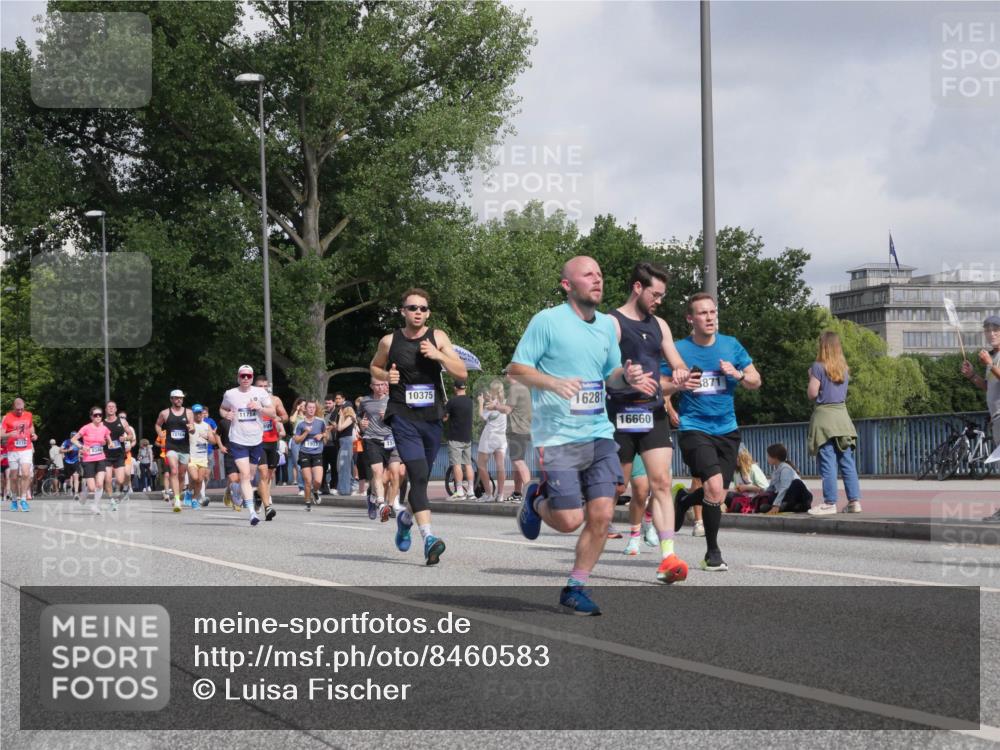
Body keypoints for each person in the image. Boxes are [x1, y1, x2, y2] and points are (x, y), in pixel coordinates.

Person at [510, 256, 657, 615]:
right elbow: (516, 369)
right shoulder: (547, 321)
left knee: (603, 514)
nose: (597, 279)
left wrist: (627, 377)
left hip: (599, 432)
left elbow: (610, 375)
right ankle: (536, 499)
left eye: (600, 274)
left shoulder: (607, 326)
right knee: (568, 521)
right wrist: (552, 383)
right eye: (588, 274)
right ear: (567, 285)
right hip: (558, 436)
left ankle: (575, 587)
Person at [370, 288, 468, 565]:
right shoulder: (390, 341)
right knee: (419, 474)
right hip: (402, 416)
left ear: (428, 313)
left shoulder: (439, 337)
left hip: (432, 417)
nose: (418, 312)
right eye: (412, 307)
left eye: (423, 308)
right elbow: (374, 367)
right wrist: (385, 375)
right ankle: (429, 538)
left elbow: (461, 372)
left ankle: (405, 519)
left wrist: (439, 356)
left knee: (421, 480)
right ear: (403, 311)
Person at [606, 262, 691, 582]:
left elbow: (675, 359)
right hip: (619, 415)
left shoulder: (660, 325)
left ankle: (668, 557)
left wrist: (681, 372)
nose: (659, 300)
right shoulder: (612, 323)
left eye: (662, 295)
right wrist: (624, 376)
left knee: (662, 482)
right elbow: (603, 369)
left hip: (653, 413)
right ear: (637, 288)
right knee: (616, 487)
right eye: (655, 294)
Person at [668, 292, 761, 572]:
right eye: (702, 313)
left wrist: (739, 375)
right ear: (690, 318)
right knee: (714, 485)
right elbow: (660, 384)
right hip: (694, 427)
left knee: (718, 492)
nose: (709, 318)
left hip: (727, 429)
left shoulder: (731, 345)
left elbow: (756, 380)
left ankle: (684, 499)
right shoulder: (678, 350)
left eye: (712, 312)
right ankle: (713, 553)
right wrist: (676, 388)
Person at [806, 331, 862, 516]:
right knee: (846, 461)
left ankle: (830, 503)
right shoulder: (844, 368)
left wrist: (811, 377)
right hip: (843, 417)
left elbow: (812, 393)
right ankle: (854, 501)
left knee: (828, 461)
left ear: (823, 346)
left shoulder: (818, 366)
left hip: (825, 419)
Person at [220, 365, 277, 526]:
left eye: (248, 376)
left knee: (250, 476)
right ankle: (252, 513)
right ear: (238, 377)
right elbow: (222, 409)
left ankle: (235, 489)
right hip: (238, 440)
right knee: (245, 475)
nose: (245, 378)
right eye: (242, 376)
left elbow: (273, 413)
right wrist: (226, 414)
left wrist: (260, 407)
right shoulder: (230, 394)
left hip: (256, 440)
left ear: (252, 378)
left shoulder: (260, 393)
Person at [961, 315, 1000, 522]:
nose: (991, 334)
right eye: (987, 330)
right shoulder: (993, 357)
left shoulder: (993, 359)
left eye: (996, 330)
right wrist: (972, 376)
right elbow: (988, 387)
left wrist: (990, 364)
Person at [357, 379, 398, 521]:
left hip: (391, 440)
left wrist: (388, 416)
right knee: (377, 471)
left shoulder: (393, 401)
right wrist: (361, 423)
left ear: (386, 386)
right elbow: (359, 416)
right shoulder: (365, 401)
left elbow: (401, 419)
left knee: (392, 475)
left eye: (383, 385)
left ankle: (373, 497)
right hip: (372, 439)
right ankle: (381, 503)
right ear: (371, 386)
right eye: (377, 385)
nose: (380, 387)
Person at [252, 374, 288, 514]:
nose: (263, 388)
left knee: (269, 475)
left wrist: (278, 419)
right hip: (258, 442)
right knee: (263, 472)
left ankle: (258, 495)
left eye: (265, 386)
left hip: (272, 441)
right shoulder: (251, 401)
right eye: (260, 386)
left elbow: (285, 416)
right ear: (255, 387)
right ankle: (267, 506)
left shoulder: (275, 400)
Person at [155, 389, 194, 512]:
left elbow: (192, 428)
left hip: (184, 447)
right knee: (174, 470)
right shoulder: (165, 413)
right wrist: (160, 433)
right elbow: (158, 424)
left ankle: (178, 495)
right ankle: (177, 499)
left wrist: (191, 429)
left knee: (182, 475)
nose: (179, 400)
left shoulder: (189, 413)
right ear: (171, 399)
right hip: (171, 447)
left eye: (181, 398)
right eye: (176, 398)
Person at [72, 407, 113, 513]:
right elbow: (74, 439)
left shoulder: (104, 428)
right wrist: (81, 447)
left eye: (100, 415)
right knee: (92, 487)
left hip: (101, 458)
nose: (98, 417)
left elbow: (108, 437)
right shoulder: (86, 428)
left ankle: (95, 505)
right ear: (91, 417)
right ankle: (84, 492)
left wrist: (110, 443)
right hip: (88, 459)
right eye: (95, 415)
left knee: (100, 484)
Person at [293, 400, 332, 511]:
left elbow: (327, 435)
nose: (311, 409)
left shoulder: (320, 422)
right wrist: (305, 432)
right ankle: (308, 503)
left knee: (318, 481)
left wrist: (322, 435)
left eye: (313, 408)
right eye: (309, 407)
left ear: (315, 409)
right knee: (308, 481)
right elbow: (296, 440)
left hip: (317, 454)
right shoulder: (300, 423)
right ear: (305, 409)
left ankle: (315, 492)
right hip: (304, 453)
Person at [1, 398, 37, 512]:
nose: (20, 411)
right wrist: (9, 434)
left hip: (26, 448)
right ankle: (14, 500)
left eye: (22, 409)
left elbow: (31, 427)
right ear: (13, 407)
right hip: (13, 450)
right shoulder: (7, 417)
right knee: (14, 476)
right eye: (18, 409)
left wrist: (33, 434)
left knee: (26, 473)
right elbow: (1, 433)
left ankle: (23, 499)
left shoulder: (28, 415)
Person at [503, 367, 533, 503]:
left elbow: (507, 410)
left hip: (517, 430)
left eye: (506, 373)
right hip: (523, 429)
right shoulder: (524, 388)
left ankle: (529, 494)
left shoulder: (515, 388)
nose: (505, 376)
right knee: (517, 463)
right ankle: (517, 493)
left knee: (518, 461)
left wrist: (496, 406)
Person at [476, 380, 508, 503]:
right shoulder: (505, 403)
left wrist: (481, 402)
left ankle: (488, 494)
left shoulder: (491, 405)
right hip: (501, 438)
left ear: (493, 391)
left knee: (481, 465)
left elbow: (482, 416)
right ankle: (500, 495)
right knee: (500, 466)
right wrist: (491, 398)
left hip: (489, 437)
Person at [760, 443, 813, 514]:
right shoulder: (775, 471)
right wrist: (761, 495)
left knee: (797, 483)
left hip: (800, 496)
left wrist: (776, 505)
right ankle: (788, 506)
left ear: (775, 457)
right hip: (787, 498)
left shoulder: (785, 468)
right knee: (769, 497)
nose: (767, 458)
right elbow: (771, 488)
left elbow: (784, 488)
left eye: (769, 456)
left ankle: (787, 506)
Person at [188, 404, 224, 506]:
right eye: (196, 413)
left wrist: (207, 437)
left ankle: (195, 499)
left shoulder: (206, 425)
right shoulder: (189, 425)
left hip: (203, 457)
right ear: (193, 414)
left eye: (200, 413)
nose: (199, 415)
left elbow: (213, 441)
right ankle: (189, 491)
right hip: (192, 457)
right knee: (195, 478)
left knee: (201, 479)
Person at [444, 381, 474, 500]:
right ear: (465, 388)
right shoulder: (470, 401)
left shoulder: (452, 402)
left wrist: (446, 406)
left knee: (456, 464)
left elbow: (444, 418)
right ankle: (471, 491)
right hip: (467, 437)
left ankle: (460, 491)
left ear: (455, 388)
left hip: (455, 437)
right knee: (468, 464)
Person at [103, 401, 136, 506]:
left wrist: (125, 438)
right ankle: (111, 499)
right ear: (106, 409)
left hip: (119, 455)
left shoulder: (122, 421)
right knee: (107, 478)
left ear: (116, 409)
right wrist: (102, 441)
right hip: (106, 455)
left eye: (113, 407)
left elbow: (131, 435)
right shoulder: (102, 423)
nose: (111, 408)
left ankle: (123, 489)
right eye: (109, 407)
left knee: (120, 479)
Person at [330, 393, 357, 497]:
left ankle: (344, 490)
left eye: (343, 408)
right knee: (344, 465)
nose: (340, 409)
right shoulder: (343, 415)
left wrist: (341, 416)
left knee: (343, 465)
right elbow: (338, 427)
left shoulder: (350, 417)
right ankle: (347, 488)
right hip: (342, 441)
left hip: (346, 441)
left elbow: (340, 428)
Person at [288, 397, 306, 495]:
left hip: (306, 440)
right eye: (302, 405)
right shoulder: (296, 416)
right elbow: (292, 420)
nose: (304, 407)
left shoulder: (308, 416)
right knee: (298, 464)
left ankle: (309, 485)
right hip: (297, 440)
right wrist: (297, 410)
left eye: (305, 405)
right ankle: (301, 487)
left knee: (307, 464)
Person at [321, 395, 339, 494]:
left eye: (330, 403)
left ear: (334, 403)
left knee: (334, 466)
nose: (327, 405)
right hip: (323, 444)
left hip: (334, 443)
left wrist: (334, 427)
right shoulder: (323, 413)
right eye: (326, 403)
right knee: (322, 466)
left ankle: (333, 486)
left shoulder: (337, 413)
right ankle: (323, 487)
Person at [61, 432, 81, 500]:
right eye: (72, 436)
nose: (74, 437)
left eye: (75, 436)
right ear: (70, 437)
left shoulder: (78, 443)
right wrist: (68, 450)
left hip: (76, 461)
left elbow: (83, 449)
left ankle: (76, 493)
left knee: (76, 476)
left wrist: (81, 454)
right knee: (69, 478)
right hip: (67, 462)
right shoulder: (66, 442)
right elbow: (60, 450)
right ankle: (69, 487)